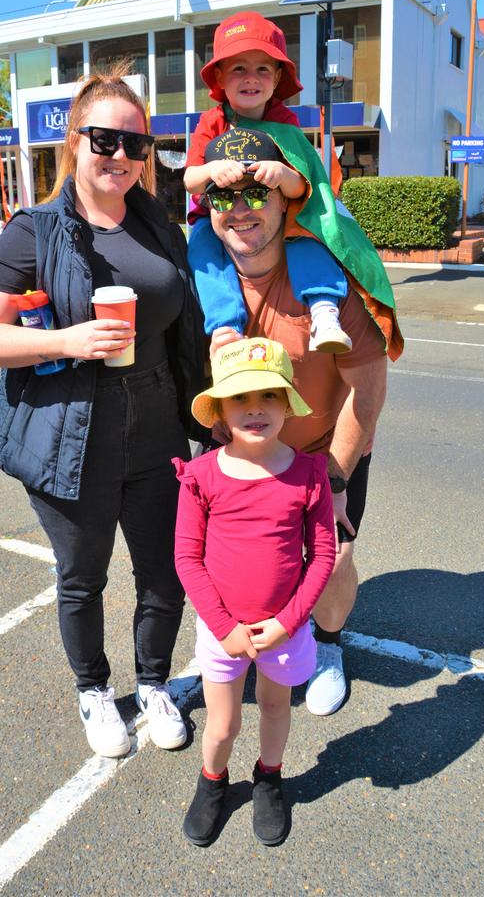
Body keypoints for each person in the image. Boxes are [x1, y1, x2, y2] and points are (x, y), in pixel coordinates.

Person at [0, 66, 207, 759]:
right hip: (73, 429)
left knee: (164, 571)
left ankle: (155, 683)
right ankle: (94, 691)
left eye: (137, 146)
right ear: (74, 141)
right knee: (84, 575)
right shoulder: (35, 232)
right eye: (105, 139)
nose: (122, 157)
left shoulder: (159, 226)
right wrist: (66, 341)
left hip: (158, 422)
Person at [200, 128, 403, 718]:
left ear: (286, 199)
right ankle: (233, 644)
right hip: (239, 451)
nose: (240, 210)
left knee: (331, 559)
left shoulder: (327, 277)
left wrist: (332, 482)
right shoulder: (203, 282)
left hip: (322, 450)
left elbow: (370, 388)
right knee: (240, 559)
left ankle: (330, 645)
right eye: (224, 197)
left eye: (255, 194)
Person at [174, 337, 336, 846]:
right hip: (222, 634)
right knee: (221, 728)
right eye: (240, 399)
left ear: (288, 402)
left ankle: (270, 777)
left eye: (268, 396)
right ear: (220, 409)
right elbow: (187, 558)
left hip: (284, 628)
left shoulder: (310, 474)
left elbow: (323, 556)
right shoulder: (202, 476)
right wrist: (224, 629)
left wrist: (288, 621)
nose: (255, 410)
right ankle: (213, 781)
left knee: (275, 708)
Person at [184, 11, 351, 353]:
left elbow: (303, 188)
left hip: (276, 215)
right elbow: (190, 180)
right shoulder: (211, 121)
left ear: (277, 78)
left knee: (306, 238)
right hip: (216, 214)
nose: (251, 78)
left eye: (262, 68)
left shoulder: (285, 122)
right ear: (220, 77)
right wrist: (212, 172)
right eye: (238, 68)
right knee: (202, 253)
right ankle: (225, 327)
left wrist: (282, 174)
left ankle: (323, 309)